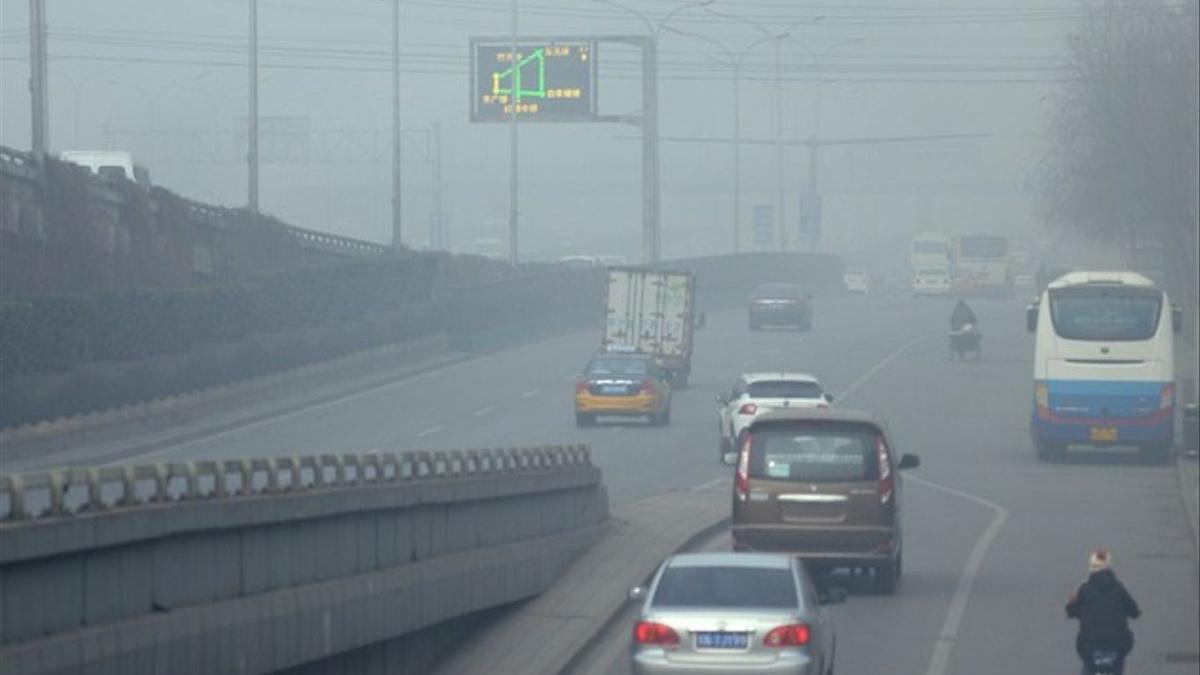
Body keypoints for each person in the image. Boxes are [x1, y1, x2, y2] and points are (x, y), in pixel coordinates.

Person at [1066, 549, 1141, 674]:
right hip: (1117, 644)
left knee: (1088, 664)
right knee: (1118, 662)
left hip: (1089, 645)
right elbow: (1134, 612)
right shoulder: (1119, 588)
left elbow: (1071, 611)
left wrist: (1072, 602)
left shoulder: (1084, 589)